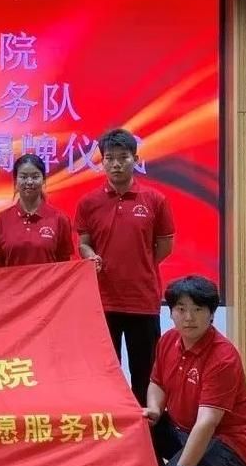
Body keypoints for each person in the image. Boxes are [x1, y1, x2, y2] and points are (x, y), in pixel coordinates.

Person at [126, 276, 246, 466]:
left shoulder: (223, 357)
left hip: (230, 444)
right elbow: (157, 382)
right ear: (171, 312)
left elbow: (207, 422)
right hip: (184, 431)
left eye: (197, 309)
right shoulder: (168, 340)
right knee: (140, 426)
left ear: (211, 314)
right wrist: (155, 408)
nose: (188, 317)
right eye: (181, 309)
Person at [75, 128, 175, 406]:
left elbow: (164, 246)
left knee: (145, 373)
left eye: (123, 157)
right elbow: (83, 244)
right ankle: (112, 426)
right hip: (102, 301)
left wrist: (139, 263)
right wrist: (90, 255)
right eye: (109, 158)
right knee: (105, 372)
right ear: (102, 161)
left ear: (136, 159)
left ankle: (147, 429)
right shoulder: (88, 202)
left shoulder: (155, 200)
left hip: (142, 300)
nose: (116, 164)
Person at [0, 154, 74, 266]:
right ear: (15, 181)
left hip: (49, 279)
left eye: (35, 177)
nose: (29, 182)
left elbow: (64, 265)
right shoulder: (1, 220)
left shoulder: (60, 219)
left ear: (43, 180)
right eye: (23, 177)